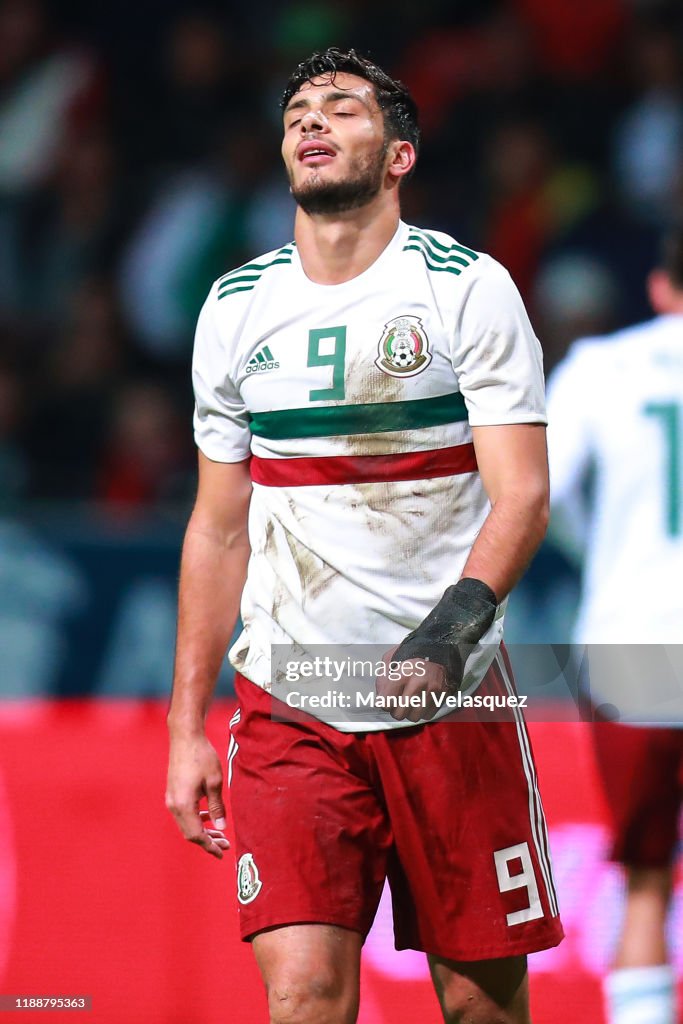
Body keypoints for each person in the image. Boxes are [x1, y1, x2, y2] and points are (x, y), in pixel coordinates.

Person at [166, 47, 562, 1024]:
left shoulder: (466, 290)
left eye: (341, 109)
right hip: (291, 703)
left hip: (450, 699)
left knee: (478, 1002)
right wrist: (183, 726)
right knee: (303, 994)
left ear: (398, 155)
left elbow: (521, 496)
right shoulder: (233, 308)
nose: (311, 122)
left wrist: (445, 635)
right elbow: (220, 530)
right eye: (299, 110)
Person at [546, 228, 683, 1024]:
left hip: (632, 637)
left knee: (643, 880)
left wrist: (596, 548)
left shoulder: (601, 368)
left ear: (662, 287)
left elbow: (541, 493)